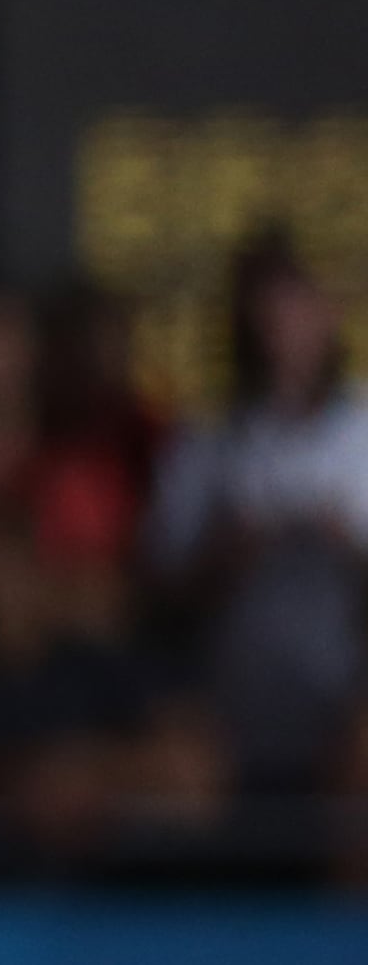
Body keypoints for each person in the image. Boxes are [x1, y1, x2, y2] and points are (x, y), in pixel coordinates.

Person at [145, 239, 368, 801]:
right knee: (177, 762)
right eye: (265, 321)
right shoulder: (207, 441)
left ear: (326, 315)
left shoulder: (362, 430)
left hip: (349, 689)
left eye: (295, 316)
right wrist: (228, 552)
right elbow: (160, 588)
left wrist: (343, 548)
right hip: (231, 689)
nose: (281, 337)